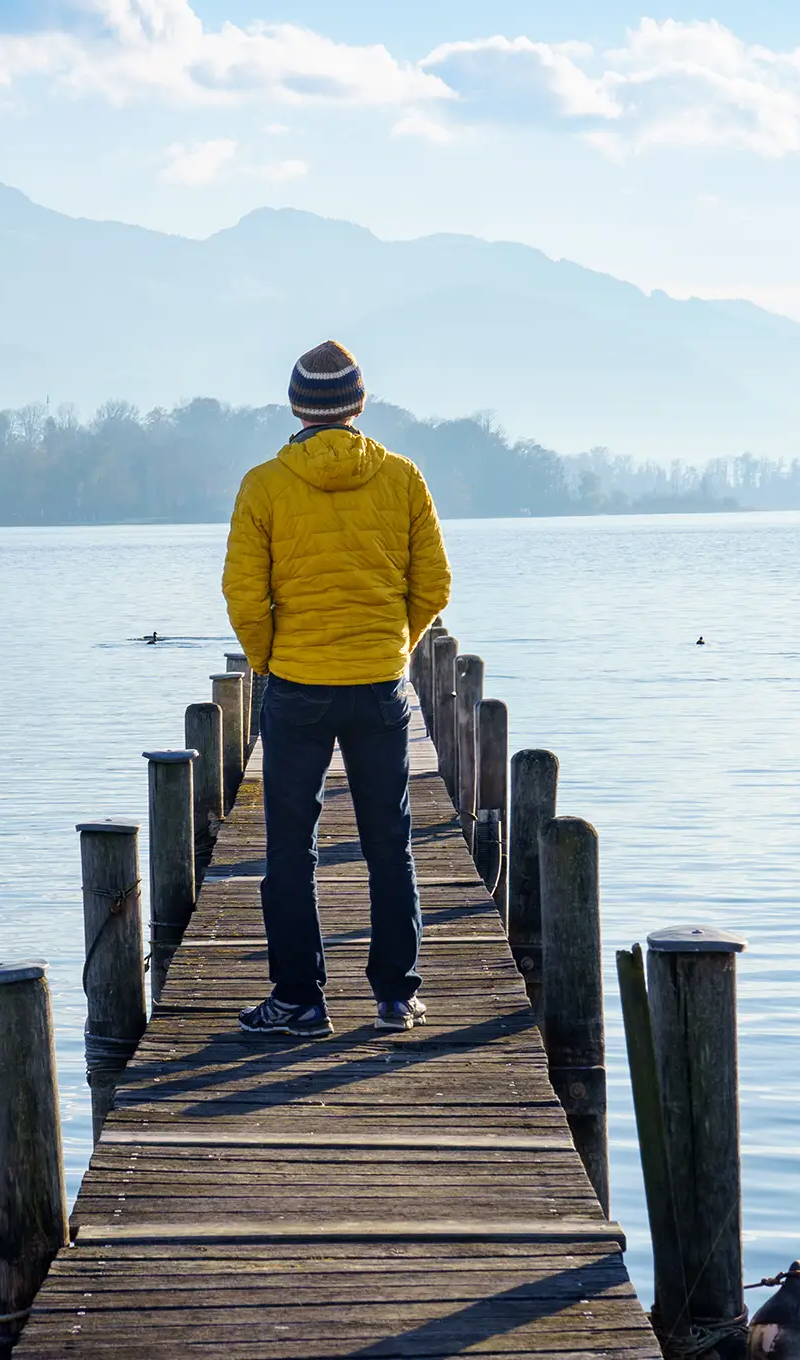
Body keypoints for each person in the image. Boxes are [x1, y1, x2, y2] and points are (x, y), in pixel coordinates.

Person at [221, 340, 451, 1037]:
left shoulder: (264, 483)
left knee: (290, 847)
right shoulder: (403, 477)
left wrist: (271, 660)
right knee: (392, 844)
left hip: (297, 683)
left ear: (296, 406)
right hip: (380, 686)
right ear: (358, 404)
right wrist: (394, 647)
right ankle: (394, 998)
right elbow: (434, 585)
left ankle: (299, 1000)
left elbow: (243, 596)